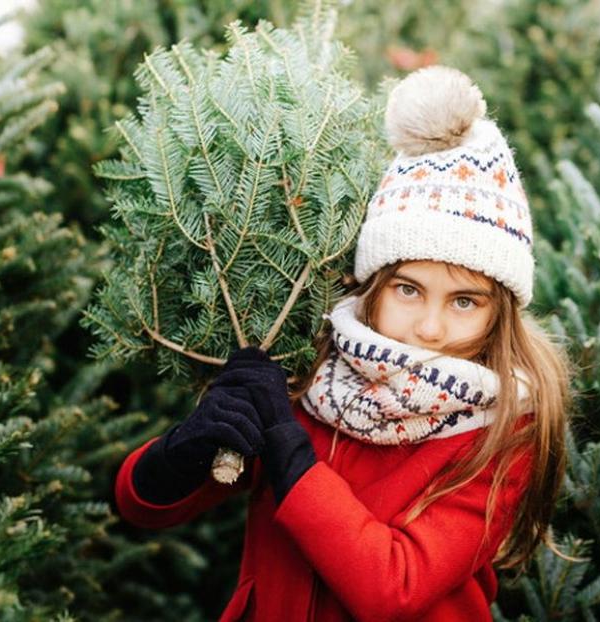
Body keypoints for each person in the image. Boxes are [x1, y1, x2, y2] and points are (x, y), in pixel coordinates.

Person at [114, 65, 571, 621]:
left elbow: (392, 588)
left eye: (464, 301)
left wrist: (292, 461)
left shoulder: (498, 431)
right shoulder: (310, 373)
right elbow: (143, 506)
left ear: (499, 314)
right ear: (373, 285)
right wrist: (189, 446)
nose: (429, 327)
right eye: (408, 289)